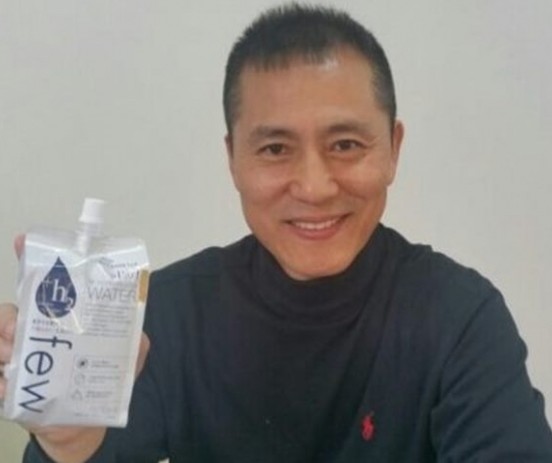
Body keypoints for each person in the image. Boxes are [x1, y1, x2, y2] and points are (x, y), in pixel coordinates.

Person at [1, 4, 552, 462]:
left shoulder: (459, 318)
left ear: (393, 149)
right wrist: (69, 442)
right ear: (233, 160)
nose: (314, 187)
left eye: (345, 145)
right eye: (274, 149)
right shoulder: (171, 315)